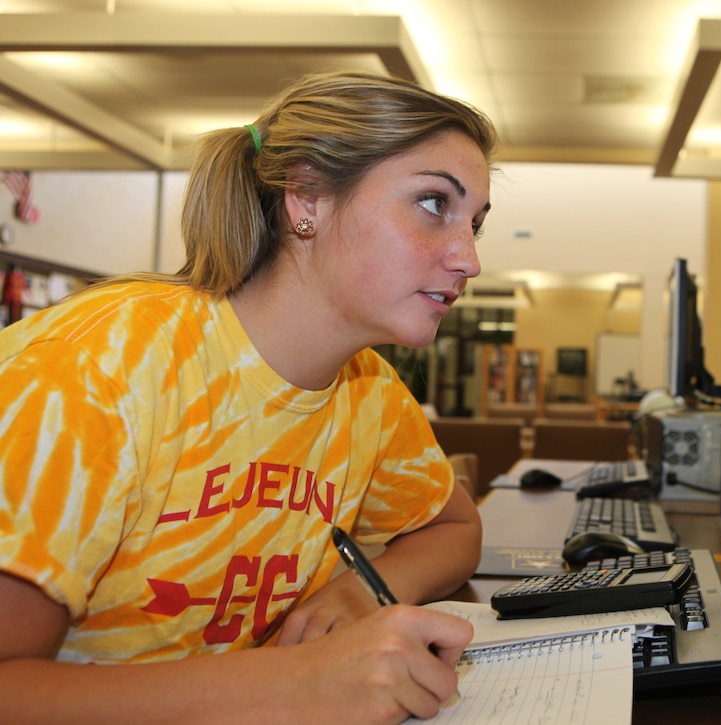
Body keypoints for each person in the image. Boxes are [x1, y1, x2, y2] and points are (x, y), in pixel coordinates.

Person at [0, 70, 496, 723]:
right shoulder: (98, 369)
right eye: (434, 203)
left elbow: (453, 527)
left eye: (476, 224)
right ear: (307, 195)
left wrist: (355, 594)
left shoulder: (368, 389)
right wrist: (290, 683)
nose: (469, 258)